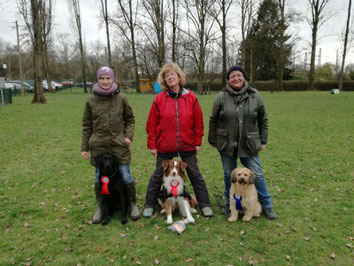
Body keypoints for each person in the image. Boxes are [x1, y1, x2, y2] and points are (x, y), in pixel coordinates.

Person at [143, 62, 213, 218]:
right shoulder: (159, 99)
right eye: (166, 76)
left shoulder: (191, 97)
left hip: (187, 143)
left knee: (194, 173)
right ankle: (149, 205)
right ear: (164, 81)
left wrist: (197, 142)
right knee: (157, 175)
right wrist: (152, 145)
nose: (170, 77)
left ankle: (205, 204)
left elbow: (198, 122)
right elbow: (151, 125)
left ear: (179, 77)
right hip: (165, 144)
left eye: (172, 74)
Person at [208, 65, 277, 220]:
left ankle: (267, 205)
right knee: (229, 175)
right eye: (232, 76)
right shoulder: (221, 96)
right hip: (226, 143)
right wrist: (212, 139)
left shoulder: (255, 96)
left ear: (244, 77)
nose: (236, 78)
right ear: (228, 80)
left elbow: (263, 119)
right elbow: (213, 120)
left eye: (239, 75)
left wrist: (263, 140)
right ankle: (231, 206)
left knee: (257, 174)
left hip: (249, 143)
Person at [81, 66, 140, 222]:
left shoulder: (121, 98)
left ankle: (132, 205)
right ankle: (101, 208)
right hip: (98, 146)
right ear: (98, 79)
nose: (105, 81)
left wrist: (128, 136)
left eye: (108, 78)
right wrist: (84, 147)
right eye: (102, 78)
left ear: (113, 79)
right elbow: (87, 125)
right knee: (98, 179)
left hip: (118, 145)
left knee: (126, 176)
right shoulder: (90, 100)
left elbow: (130, 120)